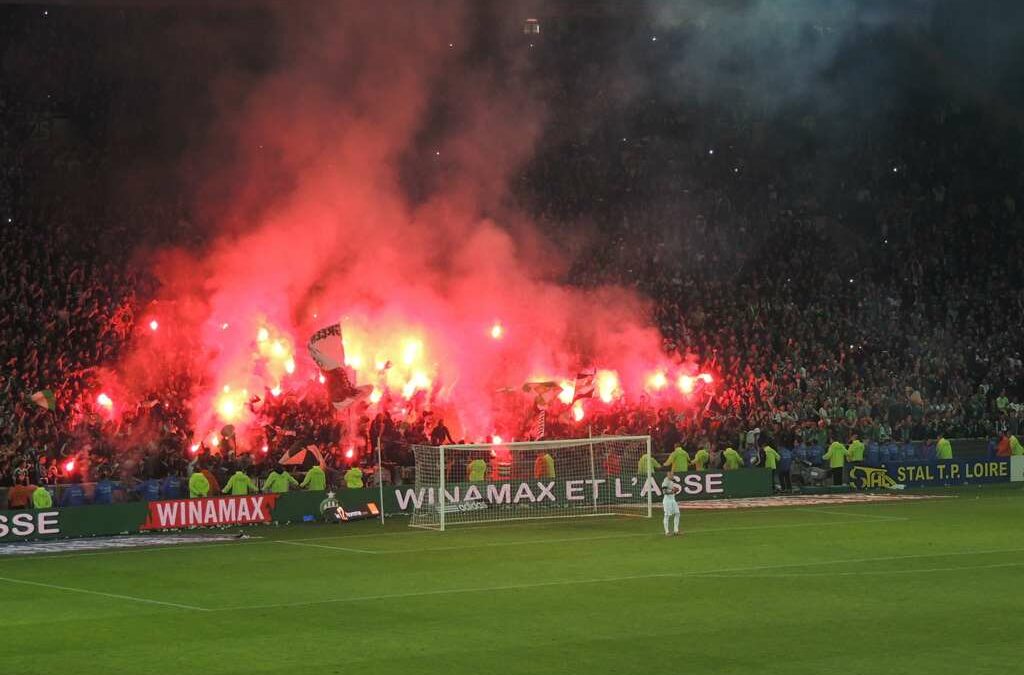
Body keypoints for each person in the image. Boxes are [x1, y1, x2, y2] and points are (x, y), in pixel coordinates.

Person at [661, 470, 681, 536]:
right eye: (671, 475)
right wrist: (673, 492)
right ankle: (667, 532)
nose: (673, 476)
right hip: (667, 501)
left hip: (672, 500)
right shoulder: (665, 482)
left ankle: (676, 530)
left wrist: (675, 490)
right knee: (667, 515)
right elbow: (664, 492)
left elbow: (671, 489)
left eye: (673, 475)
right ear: (668, 475)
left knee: (677, 513)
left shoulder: (670, 481)